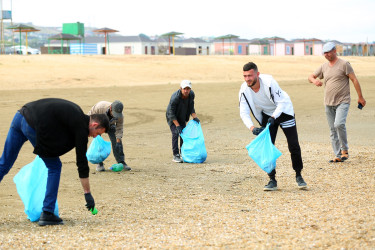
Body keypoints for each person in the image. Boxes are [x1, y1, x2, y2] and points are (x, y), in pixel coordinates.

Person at [0, 98, 109, 226]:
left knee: (4, 163)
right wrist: (87, 194)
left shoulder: (76, 113)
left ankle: (48, 211)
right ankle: (47, 212)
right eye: (97, 133)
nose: (95, 136)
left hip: (20, 116)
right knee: (55, 166)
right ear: (94, 125)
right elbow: (82, 163)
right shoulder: (81, 127)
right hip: (32, 124)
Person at [239, 62, 307, 191]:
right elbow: (243, 112)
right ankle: (272, 179)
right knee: (268, 147)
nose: (247, 79)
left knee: (293, 144)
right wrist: (252, 128)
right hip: (267, 114)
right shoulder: (244, 90)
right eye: (245, 76)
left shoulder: (269, 83)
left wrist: (274, 117)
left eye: (250, 75)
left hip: (284, 112)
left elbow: (281, 103)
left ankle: (299, 175)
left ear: (257, 74)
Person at [308, 42, 366, 163]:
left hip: (343, 101)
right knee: (332, 129)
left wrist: (360, 97)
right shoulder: (324, 66)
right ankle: (338, 155)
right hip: (328, 103)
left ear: (335, 51)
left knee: (339, 124)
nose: (326, 54)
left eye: (329, 52)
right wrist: (315, 81)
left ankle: (345, 149)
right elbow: (311, 76)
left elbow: (354, 79)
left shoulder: (344, 64)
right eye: (325, 53)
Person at [88, 100, 131, 171]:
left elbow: (119, 128)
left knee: (117, 141)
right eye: (114, 113)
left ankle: (121, 162)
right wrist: (93, 130)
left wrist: (118, 140)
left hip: (110, 125)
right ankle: (99, 163)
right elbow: (89, 117)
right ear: (110, 108)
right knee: (98, 140)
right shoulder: (100, 108)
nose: (115, 116)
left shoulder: (120, 115)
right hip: (97, 124)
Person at [166, 80, 200, 163]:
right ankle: (176, 155)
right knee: (176, 133)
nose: (186, 91)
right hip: (172, 117)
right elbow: (171, 112)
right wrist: (177, 125)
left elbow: (191, 106)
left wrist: (195, 117)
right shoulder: (175, 97)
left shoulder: (191, 94)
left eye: (188, 89)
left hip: (182, 116)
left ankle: (183, 152)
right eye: (184, 89)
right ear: (180, 88)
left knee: (183, 134)